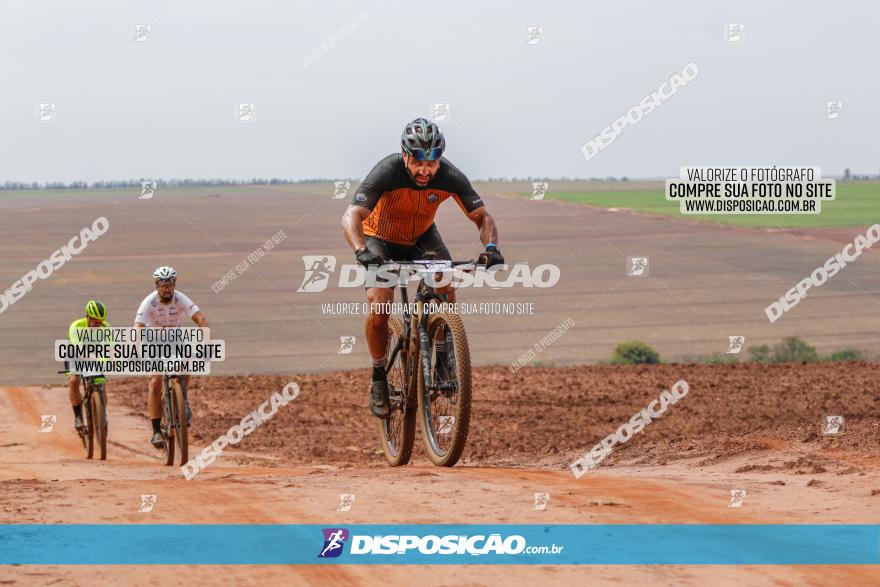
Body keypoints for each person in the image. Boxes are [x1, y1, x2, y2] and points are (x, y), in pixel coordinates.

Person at [341, 117, 504, 419]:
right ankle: (379, 376)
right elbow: (352, 215)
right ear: (405, 155)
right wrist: (361, 250)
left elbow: (482, 217)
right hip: (380, 240)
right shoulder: (387, 171)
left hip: (421, 237)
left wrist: (492, 248)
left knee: (445, 285)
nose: (425, 170)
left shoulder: (449, 175)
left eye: (432, 163)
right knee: (379, 305)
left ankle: (442, 358)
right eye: (418, 162)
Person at [134, 266, 209, 448]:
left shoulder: (180, 298)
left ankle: (183, 399)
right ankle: (156, 431)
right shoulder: (149, 302)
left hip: (175, 339)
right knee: (155, 380)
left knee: (186, 364)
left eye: (170, 285)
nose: (167, 289)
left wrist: (207, 343)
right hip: (153, 342)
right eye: (163, 285)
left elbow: (201, 320)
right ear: (156, 285)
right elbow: (138, 328)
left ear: (174, 284)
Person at [67, 300, 112, 432]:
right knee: (74, 380)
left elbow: (111, 348)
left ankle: (102, 412)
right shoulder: (76, 326)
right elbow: (78, 350)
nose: (98, 324)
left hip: (95, 352)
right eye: (95, 321)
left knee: (101, 382)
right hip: (75, 353)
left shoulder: (106, 327)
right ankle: (78, 417)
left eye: (101, 321)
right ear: (88, 317)